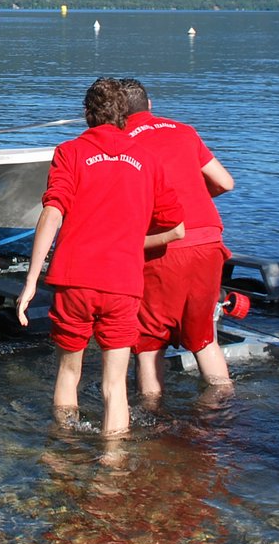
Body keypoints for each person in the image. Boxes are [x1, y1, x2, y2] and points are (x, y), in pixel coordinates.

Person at [16, 77, 185, 436]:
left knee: (69, 373)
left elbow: (52, 212)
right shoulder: (147, 158)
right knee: (115, 386)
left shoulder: (70, 152)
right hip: (122, 281)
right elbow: (176, 226)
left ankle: (65, 453)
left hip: (73, 278)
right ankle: (111, 468)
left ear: (86, 113)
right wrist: (132, 242)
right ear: (125, 115)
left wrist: (31, 281)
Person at [120, 78, 236, 399]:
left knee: (148, 342)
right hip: (210, 242)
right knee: (204, 338)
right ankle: (222, 411)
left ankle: (153, 418)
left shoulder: (122, 141)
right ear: (150, 105)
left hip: (165, 246)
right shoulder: (184, 130)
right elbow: (225, 183)